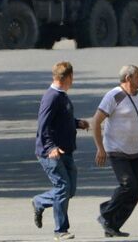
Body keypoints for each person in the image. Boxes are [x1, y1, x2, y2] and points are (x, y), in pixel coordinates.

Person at [92, 65, 138, 238]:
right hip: (116, 150)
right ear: (128, 78)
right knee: (128, 185)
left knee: (134, 193)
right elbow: (96, 121)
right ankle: (106, 214)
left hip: (135, 151)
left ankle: (113, 225)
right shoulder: (114, 95)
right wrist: (100, 148)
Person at [32, 62, 90, 241]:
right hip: (51, 153)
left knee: (69, 190)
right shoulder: (52, 97)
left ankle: (39, 201)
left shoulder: (61, 96)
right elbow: (44, 125)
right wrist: (50, 148)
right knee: (62, 187)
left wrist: (76, 123)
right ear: (68, 78)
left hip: (65, 151)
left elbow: (61, 120)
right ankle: (60, 230)